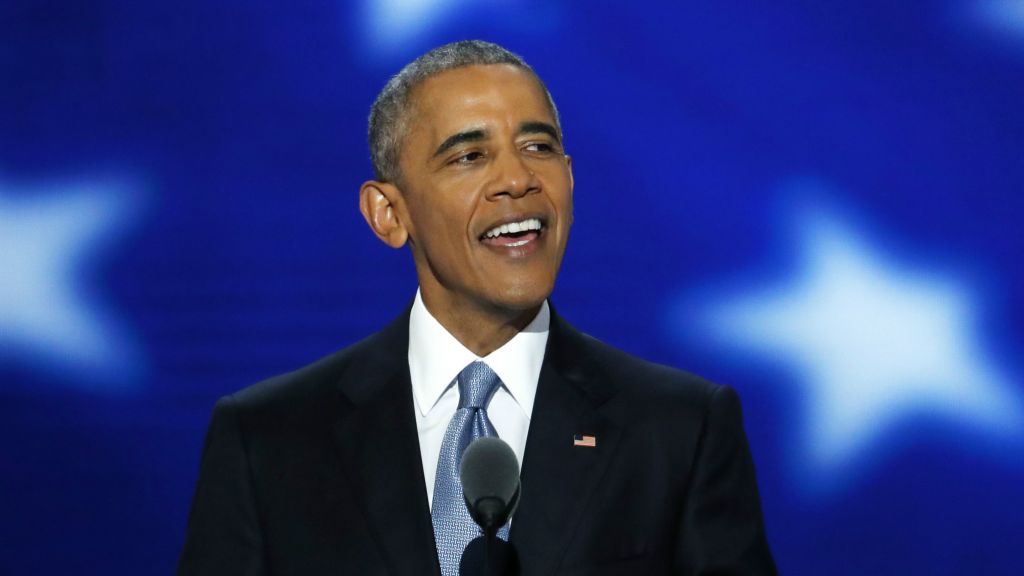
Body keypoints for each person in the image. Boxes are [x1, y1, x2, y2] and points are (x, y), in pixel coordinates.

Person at [177, 40, 777, 576]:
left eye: (539, 146)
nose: (518, 180)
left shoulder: (679, 430)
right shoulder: (269, 441)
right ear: (389, 214)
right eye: (468, 156)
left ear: (569, 178)